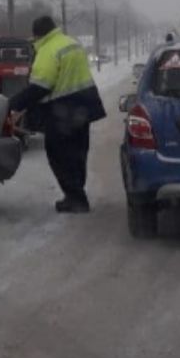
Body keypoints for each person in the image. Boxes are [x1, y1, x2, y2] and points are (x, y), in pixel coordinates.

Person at [8, 16, 107, 213]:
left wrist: (12, 104)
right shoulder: (72, 43)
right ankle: (77, 193)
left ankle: (76, 198)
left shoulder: (47, 50)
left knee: (59, 155)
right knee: (78, 153)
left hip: (62, 111)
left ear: (38, 34)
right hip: (83, 107)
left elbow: (41, 86)